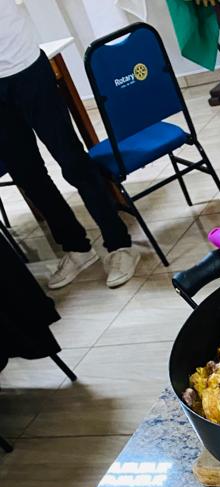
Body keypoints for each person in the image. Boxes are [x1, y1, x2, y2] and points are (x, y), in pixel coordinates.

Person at [0, 0, 141, 289]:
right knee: (27, 174)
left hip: (26, 69)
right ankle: (76, 247)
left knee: (73, 161)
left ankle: (119, 244)